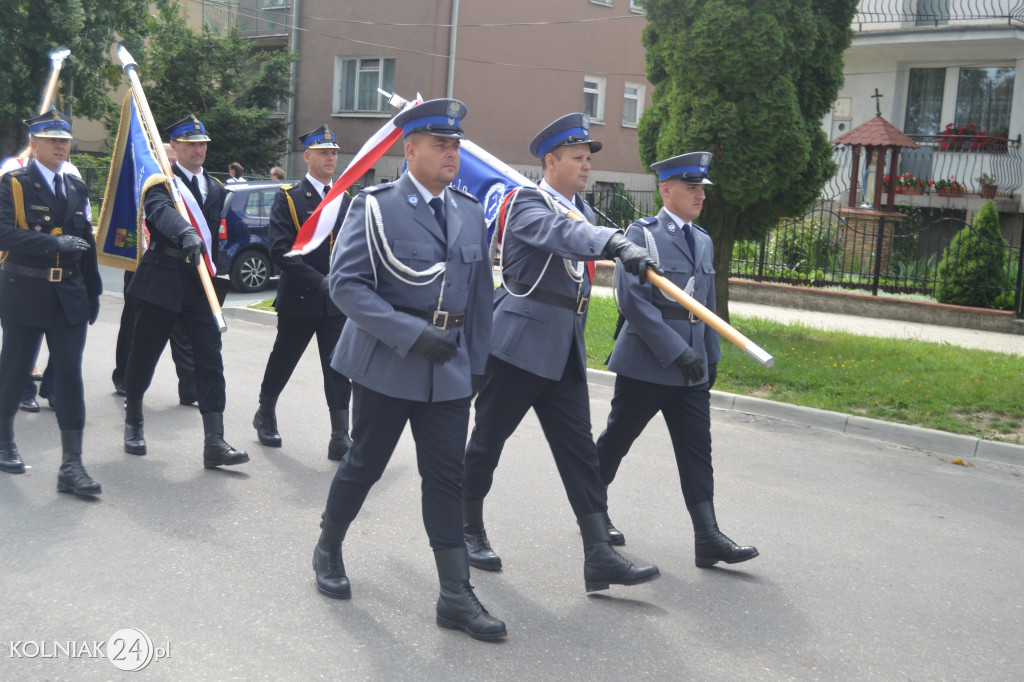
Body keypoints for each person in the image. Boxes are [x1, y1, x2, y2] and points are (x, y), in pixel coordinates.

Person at [312, 99, 505, 641]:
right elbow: (346, 286)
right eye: (441, 145)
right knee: (366, 463)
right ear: (410, 149)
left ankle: (454, 595)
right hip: (388, 360)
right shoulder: (376, 207)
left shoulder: (469, 210)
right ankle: (328, 546)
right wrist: (411, 333)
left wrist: (479, 365)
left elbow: (481, 297)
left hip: (449, 365)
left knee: (446, 476)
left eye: (456, 145)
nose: (452, 153)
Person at [460, 112, 661, 593]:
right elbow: (562, 237)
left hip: (563, 349)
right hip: (518, 345)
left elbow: (579, 246)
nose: (587, 165)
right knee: (488, 441)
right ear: (551, 161)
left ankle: (598, 555)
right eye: (577, 157)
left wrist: (622, 250)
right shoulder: (526, 202)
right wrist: (615, 242)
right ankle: (465, 527)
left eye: (588, 158)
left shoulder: (583, 212)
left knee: (579, 455)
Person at [596, 152, 758, 568]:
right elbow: (633, 302)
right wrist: (676, 350)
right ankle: (592, 516)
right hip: (648, 362)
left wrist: (710, 353)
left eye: (702, 188)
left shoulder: (702, 239)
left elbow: (707, 306)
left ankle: (707, 537)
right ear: (666, 189)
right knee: (617, 441)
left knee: (696, 450)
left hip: (692, 367)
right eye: (691, 187)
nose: (699, 194)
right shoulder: (642, 235)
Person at [121, 114, 248, 469]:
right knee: (144, 353)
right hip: (163, 278)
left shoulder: (217, 187)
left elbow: (221, 234)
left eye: (202, 143)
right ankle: (133, 421)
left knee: (210, 359)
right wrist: (185, 233)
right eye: (191, 143)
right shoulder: (160, 182)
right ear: (174, 148)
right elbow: (159, 213)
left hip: (199, 284)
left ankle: (215, 441)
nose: (199, 149)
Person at [0, 110, 103, 495]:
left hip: (70, 294)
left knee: (70, 376)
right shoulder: (13, 184)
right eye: (53, 140)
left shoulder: (76, 187)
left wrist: (93, 290)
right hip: (25, 291)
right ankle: (4, 439)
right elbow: (3, 233)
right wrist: (51, 244)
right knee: (13, 370)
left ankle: (71, 465)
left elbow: (86, 245)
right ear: (35, 143)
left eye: (65, 140)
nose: (61, 146)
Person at [253, 125, 353, 459]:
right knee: (284, 359)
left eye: (334, 152)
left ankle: (341, 435)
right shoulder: (290, 198)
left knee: (338, 368)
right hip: (300, 297)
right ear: (307, 156)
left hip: (336, 303)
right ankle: (265, 412)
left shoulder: (344, 200)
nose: (331, 157)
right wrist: (319, 281)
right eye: (324, 152)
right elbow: (281, 251)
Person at [112, 143, 198, 404]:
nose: (169, 166)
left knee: (182, 329)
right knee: (135, 326)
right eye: (165, 160)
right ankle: (124, 377)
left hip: (176, 268)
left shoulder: (182, 189)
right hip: (143, 265)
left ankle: (190, 387)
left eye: (172, 160)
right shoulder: (147, 185)